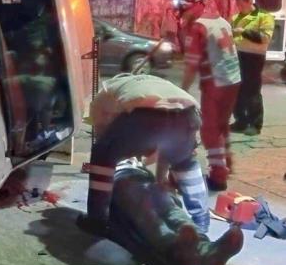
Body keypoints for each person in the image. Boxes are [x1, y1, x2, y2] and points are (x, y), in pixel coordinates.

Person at [78, 73, 209, 237]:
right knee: (185, 164)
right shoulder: (159, 81)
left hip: (146, 119)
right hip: (188, 116)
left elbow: (101, 133)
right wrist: (160, 180)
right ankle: (201, 222)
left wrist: (115, 156)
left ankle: (97, 220)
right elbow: (166, 148)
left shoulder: (106, 92)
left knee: (101, 154)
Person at [108, 159, 244, 265]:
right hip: (120, 181)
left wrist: (160, 181)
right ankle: (177, 248)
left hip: (143, 178)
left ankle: (207, 252)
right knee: (148, 214)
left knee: (170, 208)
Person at [175, 0, 241, 192]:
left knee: (209, 130)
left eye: (181, 4)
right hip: (233, 80)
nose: (179, 8)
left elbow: (191, 64)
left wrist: (181, 92)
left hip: (216, 82)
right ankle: (227, 163)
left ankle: (218, 175)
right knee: (222, 125)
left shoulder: (197, 27)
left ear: (191, 4)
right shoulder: (220, 21)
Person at [230, 0, 274, 136]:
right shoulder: (235, 17)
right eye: (237, 5)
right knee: (237, 90)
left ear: (250, 1)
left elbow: (264, 38)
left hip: (254, 58)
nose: (239, 7)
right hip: (237, 56)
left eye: (241, 4)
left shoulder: (264, 17)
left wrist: (243, 31)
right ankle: (241, 121)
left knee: (252, 91)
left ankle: (255, 124)